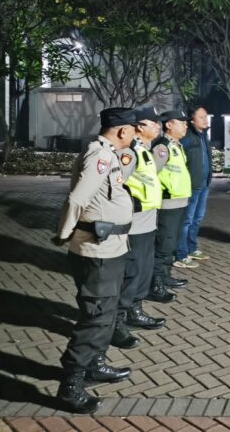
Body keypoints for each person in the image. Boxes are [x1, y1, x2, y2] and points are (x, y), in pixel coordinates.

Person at [52, 107, 138, 414]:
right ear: (123, 131)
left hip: (111, 247)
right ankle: (70, 385)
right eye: (133, 130)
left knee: (107, 312)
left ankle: (95, 364)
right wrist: (63, 233)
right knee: (96, 317)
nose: (135, 135)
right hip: (97, 250)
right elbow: (77, 199)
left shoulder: (109, 153)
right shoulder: (99, 155)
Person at [110, 106, 168, 350]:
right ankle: (116, 323)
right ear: (140, 127)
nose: (158, 127)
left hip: (147, 221)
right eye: (154, 123)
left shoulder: (144, 150)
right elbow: (116, 185)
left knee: (142, 272)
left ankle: (135, 310)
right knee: (130, 274)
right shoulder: (130, 152)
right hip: (134, 223)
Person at [148, 110, 192, 302]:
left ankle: (165, 276)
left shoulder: (176, 146)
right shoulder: (162, 147)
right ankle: (155, 284)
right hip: (167, 203)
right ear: (168, 125)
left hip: (179, 202)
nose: (185, 126)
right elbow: (151, 174)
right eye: (181, 122)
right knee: (163, 244)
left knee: (171, 243)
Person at [174, 106, 213, 268]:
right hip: (191, 186)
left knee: (197, 219)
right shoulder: (187, 137)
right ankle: (181, 253)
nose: (205, 119)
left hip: (203, 185)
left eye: (206, 116)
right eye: (201, 117)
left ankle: (192, 248)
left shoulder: (203, 136)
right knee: (186, 221)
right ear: (192, 120)